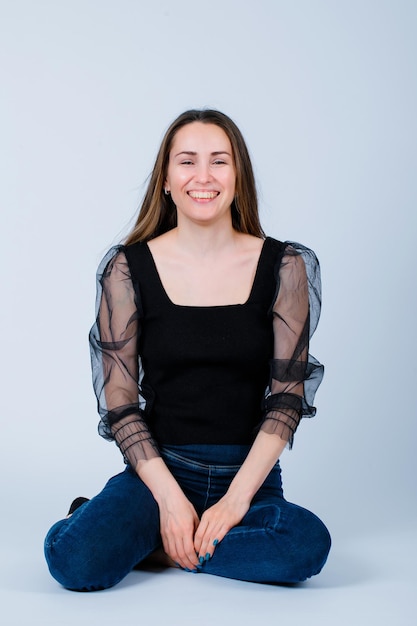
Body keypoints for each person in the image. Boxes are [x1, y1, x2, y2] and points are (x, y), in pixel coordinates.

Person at [44, 109, 331, 591]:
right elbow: (120, 403)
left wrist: (237, 501)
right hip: (159, 473)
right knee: (74, 560)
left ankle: (156, 547)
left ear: (238, 176)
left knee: (306, 545)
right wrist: (171, 502)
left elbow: (286, 398)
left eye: (219, 161)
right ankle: (152, 529)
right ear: (166, 180)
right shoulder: (127, 268)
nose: (203, 176)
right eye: (187, 162)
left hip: (251, 478)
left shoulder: (286, 266)